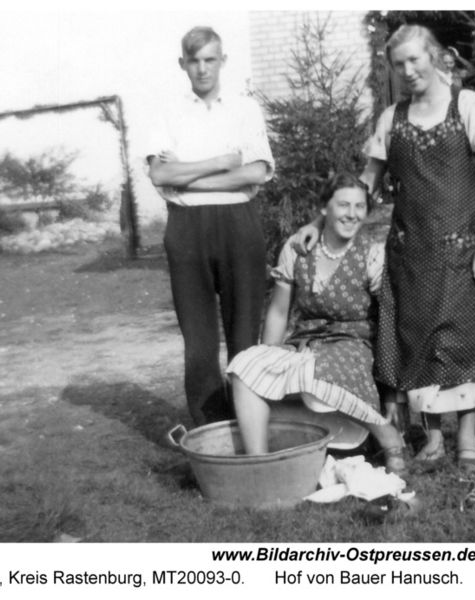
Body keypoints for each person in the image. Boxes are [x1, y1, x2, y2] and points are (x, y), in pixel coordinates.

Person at [295, 25, 475, 475]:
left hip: (463, 249)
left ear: (434, 57)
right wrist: (319, 222)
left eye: (415, 59)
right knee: (421, 342)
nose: (408, 70)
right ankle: (433, 437)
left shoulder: (468, 106)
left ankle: (467, 438)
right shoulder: (391, 119)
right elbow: (366, 184)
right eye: (399, 64)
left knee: (465, 340)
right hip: (411, 253)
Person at [226, 173, 406, 475]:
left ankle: (385, 433)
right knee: (243, 366)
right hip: (305, 342)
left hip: (355, 344)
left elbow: (389, 320)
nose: (352, 214)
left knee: (315, 371)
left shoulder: (371, 254)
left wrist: (391, 390)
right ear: (325, 208)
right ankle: (259, 463)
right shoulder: (298, 248)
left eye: (359, 207)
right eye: (343, 205)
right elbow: (279, 312)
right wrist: (269, 358)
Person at [147, 26, 275, 426]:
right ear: (182, 63)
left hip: (238, 222)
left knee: (244, 333)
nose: (202, 69)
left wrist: (187, 176)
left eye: (210, 60)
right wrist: (220, 163)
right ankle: (210, 428)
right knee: (199, 339)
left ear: (223, 61)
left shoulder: (245, 109)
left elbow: (256, 171)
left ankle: (247, 421)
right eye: (194, 61)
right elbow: (159, 174)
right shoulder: (168, 111)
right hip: (186, 227)